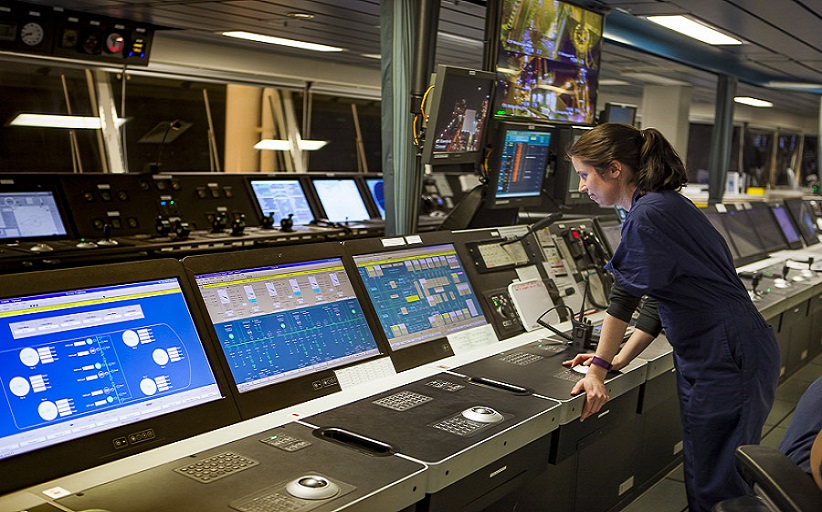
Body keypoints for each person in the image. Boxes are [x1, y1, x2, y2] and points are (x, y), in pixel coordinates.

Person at [561, 123, 781, 512]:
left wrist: (597, 368)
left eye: (584, 175)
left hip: (727, 355)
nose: (582, 186)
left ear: (614, 169)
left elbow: (625, 295)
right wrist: (618, 359)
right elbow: (659, 297)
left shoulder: (650, 213)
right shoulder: (658, 204)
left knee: (718, 483)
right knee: (707, 471)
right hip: (723, 351)